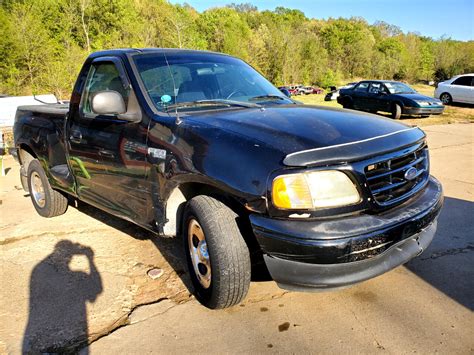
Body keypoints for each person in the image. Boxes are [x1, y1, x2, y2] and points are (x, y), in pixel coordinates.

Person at [22, 240, 102, 353]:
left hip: (40, 331)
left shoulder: (38, 268)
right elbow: (95, 291)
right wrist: (90, 259)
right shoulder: (75, 275)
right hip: (64, 331)